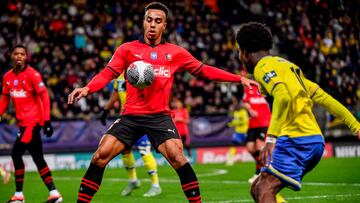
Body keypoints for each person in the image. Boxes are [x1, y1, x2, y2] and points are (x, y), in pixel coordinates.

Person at [68, 2, 259, 203]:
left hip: (159, 117)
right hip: (131, 116)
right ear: (143, 22)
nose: (152, 25)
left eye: (158, 21)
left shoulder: (175, 52)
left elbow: (203, 70)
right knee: (100, 155)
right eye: (149, 20)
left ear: (164, 26)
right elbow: (108, 73)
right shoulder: (127, 50)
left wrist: (239, 78)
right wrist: (87, 88)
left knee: (178, 157)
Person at [236, 22, 360, 203]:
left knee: (264, 190)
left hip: (296, 139)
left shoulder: (262, 67)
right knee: (257, 188)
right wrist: (355, 126)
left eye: (239, 52)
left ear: (245, 52)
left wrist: (271, 138)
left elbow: (283, 96)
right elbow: (326, 99)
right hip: (312, 139)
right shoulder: (289, 67)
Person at [0, 45, 62, 203]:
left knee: (16, 154)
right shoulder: (7, 77)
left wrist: (47, 121)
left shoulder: (33, 74)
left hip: (34, 122)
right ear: (12, 56)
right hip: (23, 123)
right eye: (16, 54)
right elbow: (5, 99)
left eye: (22, 54)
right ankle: (54, 194)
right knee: (38, 158)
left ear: (26, 57)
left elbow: (44, 96)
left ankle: (19, 196)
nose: (19, 56)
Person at [100, 74, 161, 197]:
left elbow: (153, 91)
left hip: (141, 117)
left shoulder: (140, 71)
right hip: (126, 119)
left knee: (144, 150)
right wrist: (106, 110)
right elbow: (115, 94)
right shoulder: (119, 77)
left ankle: (156, 185)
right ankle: (133, 180)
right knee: (124, 150)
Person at [242, 85, 270, 183]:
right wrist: (250, 110)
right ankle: (263, 166)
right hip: (253, 123)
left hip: (265, 122)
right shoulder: (249, 88)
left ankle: (259, 173)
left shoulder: (267, 87)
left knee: (259, 146)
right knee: (250, 148)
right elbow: (244, 103)